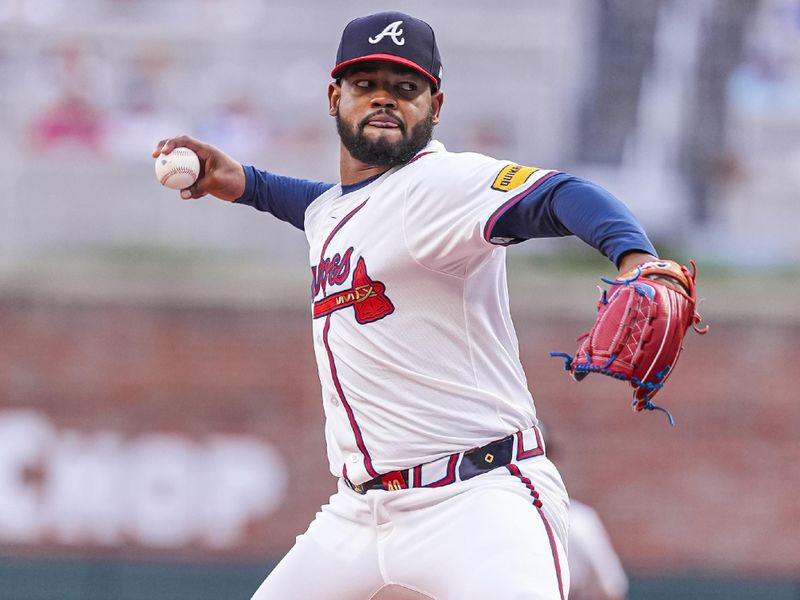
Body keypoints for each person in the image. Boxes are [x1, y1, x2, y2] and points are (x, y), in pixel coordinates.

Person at [153, 12, 662, 600]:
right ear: (333, 96)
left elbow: (560, 194)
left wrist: (634, 257)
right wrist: (245, 182)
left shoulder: (443, 183)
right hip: (358, 514)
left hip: (477, 502)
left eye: (405, 88)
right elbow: (329, 208)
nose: (383, 99)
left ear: (435, 105)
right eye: (365, 83)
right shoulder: (338, 210)